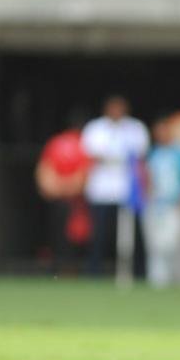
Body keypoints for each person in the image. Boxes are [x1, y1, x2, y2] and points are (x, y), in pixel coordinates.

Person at [81, 95, 149, 278]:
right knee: (100, 234)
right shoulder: (95, 128)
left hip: (128, 191)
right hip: (101, 191)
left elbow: (139, 158)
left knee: (133, 236)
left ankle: (137, 274)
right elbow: (92, 155)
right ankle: (95, 273)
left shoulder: (136, 128)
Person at [35, 108, 91, 276]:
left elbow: (44, 173)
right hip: (76, 202)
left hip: (64, 199)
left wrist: (56, 188)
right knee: (73, 236)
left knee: (65, 235)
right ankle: (67, 270)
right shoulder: (85, 143)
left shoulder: (55, 142)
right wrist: (68, 188)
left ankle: (62, 270)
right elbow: (83, 176)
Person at [143, 113, 180, 288]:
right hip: (156, 205)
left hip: (174, 204)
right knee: (156, 244)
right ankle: (158, 281)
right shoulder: (153, 153)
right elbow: (148, 179)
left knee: (172, 243)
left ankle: (176, 279)